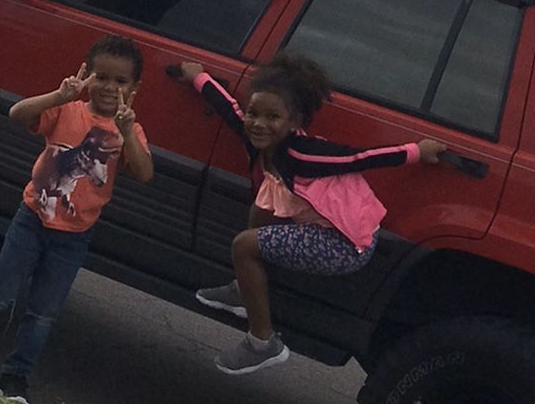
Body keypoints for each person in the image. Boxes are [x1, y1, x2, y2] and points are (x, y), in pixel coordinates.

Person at [175, 50, 445, 375]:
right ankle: (242, 289)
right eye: (254, 113)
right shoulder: (255, 136)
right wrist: (198, 77)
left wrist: (417, 151)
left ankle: (262, 343)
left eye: (273, 118)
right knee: (261, 205)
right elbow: (228, 108)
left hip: (344, 243)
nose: (259, 123)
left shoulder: (305, 156)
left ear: (295, 123)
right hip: (318, 223)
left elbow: (359, 159)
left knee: (244, 245)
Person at [0, 35, 153, 403]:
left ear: (134, 89)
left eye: (120, 82)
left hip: (73, 236)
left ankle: (14, 378)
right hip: (32, 218)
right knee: (1, 295)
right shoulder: (68, 111)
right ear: (86, 75)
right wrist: (60, 96)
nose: (109, 87)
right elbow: (17, 114)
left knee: (43, 313)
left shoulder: (128, 131)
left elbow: (144, 172)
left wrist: (125, 130)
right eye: (101, 77)